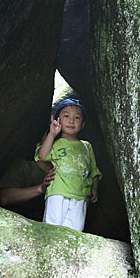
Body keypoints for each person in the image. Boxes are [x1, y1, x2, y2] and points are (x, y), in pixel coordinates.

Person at [35, 98, 101, 231]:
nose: (71, 121)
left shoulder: (87, 146)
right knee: (51, 229)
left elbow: (93, 171)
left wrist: (94, 188)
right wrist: (52, 133)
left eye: (77, 118)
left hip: (81, 196)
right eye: (66, 116)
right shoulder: (55, 143)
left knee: (74, 232)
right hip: (58, 192)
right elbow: (42, 155)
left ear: (83, 124)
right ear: (58, 120)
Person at [0, 137, 55, 222]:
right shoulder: (24, 167)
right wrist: (40, 188)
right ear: (38, 146)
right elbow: (5, 197)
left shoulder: (65, 176)